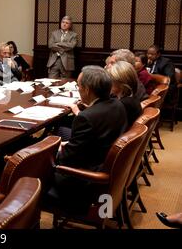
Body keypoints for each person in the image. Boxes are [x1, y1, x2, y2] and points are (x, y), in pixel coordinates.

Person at [49, 65, 128, 212]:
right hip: (103, 166)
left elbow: (66, 160)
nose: (77, 88)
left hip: (84, 181)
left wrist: (55, 151)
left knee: (31, 168)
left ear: (86, 89)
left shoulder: (86, 117)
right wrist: (69, 144)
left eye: (78, 86)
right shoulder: (117, 104)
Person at [106, 61, 142, 128]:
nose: (108, 83)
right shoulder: (131, 98)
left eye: (110, 80)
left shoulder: (123, 104)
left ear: (120, 84)